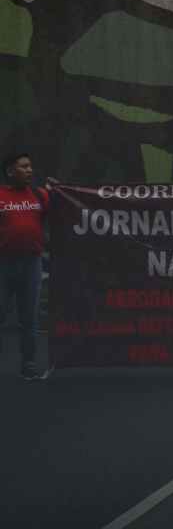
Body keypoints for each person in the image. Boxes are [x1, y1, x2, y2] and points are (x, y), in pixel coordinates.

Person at [0, 153, 49, 380]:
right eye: (24, 166)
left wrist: (61, 191)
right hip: (3, 263)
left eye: (30, 166)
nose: (30, 170)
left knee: (29, 318)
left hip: (32, 264)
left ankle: (28, 364)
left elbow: (66, 208)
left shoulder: (40, 195)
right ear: (10, 171)